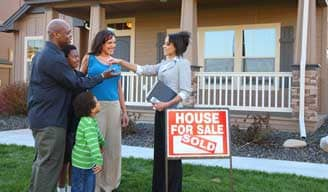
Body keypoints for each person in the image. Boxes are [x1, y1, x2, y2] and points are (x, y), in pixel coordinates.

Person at [27, 19, 117, 192]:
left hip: (39, 117)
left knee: (41, 163)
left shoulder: (41, 54)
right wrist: (101, 77)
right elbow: (75, 82)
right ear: (55, 34)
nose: (70, 36)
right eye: (67, 33)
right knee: (50, 165)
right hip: (50, 121)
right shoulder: (54, 58)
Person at [109, 31, 192, 192]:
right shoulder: (164, 63)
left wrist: (167, 103)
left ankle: (173, 188)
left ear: (176, 47)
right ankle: (160, 187)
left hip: (173, 115)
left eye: (167, 43)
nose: (164, 45)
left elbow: (185, 91)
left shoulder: (182, 64)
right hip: (161, 112)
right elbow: (143, 70)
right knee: (160, 152)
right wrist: (120, 61)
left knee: (172, 155)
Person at [80, 29, 129, 192]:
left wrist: (124, 110)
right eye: (110, 43)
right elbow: (80, 81)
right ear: (101, 43)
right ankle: (94, 184)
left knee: (112, 147)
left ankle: (110, 183)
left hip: (114, 106)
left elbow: (119, 87)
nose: (113, 46)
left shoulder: (115, 61)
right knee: (96, 145)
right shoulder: (90, 58)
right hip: (95, 107)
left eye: (114, 42)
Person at [57, 44, 85, 192]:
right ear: (65, 58)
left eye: (78, 56)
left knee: (75, 159)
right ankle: (61, 188)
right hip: (63, 123)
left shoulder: (80, 76)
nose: (77, 59)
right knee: (64, 161)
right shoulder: (61, 77)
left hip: (77, 123)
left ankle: (71, 187)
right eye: (74, 56)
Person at [71, 92, 105, 192]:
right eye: (97, 101)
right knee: (80, 188)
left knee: (88, 187)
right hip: (81, 165)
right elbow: (93, 144)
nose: (99, 103)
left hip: (88, 162)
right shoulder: (88, 123)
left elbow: (98, 137)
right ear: (91, 108)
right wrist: (99, 161)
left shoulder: (90, 120)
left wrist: (102, 144)